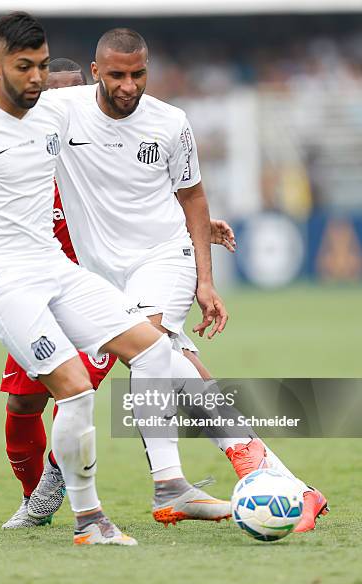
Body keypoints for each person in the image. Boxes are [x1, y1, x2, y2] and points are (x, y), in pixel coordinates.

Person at [0, 12, 232, 547]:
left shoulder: (52, 116)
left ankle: (171, 487)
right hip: (3, 284)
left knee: (155, 348)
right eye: (24, 67)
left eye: (43, 67)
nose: (35, 78)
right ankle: (87, 518)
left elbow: (110, 167)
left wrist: (191, 222)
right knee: (68, 393)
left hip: (57, 269)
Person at [32, 29, 328, 533]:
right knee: (173, 360)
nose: (129, 85)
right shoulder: (63, 110)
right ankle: (280, 479)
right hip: (100, 273)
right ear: (96, 70)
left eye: (139, 74)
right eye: (118, 75)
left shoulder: (171, 122)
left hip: (165, 255)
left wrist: (205, 281)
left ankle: (170, 483)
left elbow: (192, 195)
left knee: (149, 347)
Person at [0, 58, 238, 530]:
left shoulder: (100, 145)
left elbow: (140, 197)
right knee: (23, 403)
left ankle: (246, 461)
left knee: (158, 362)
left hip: (109, 293)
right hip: (43, 300)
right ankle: (38, 496)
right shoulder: (27, 171)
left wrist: (192, 228)